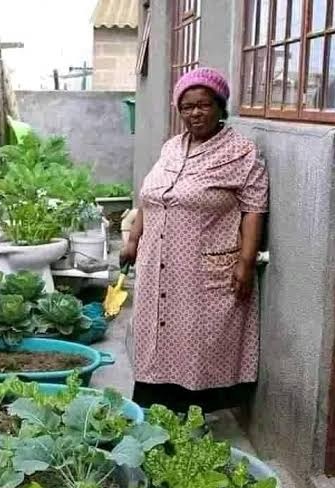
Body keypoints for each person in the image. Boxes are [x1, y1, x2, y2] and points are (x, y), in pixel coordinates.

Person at [121, 67, 268, 414]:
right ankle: (154, 409)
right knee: (156, 336)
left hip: (202, 267)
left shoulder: (242, 152)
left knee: (194, 340)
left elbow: (254, 210)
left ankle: (194, 414)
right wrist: (133, 240)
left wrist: (245, 262)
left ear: (220, 107)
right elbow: (153, 197)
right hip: (156, 263)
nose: (195, 113)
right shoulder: (172, 147)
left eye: (203, 105)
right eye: (187, 107)